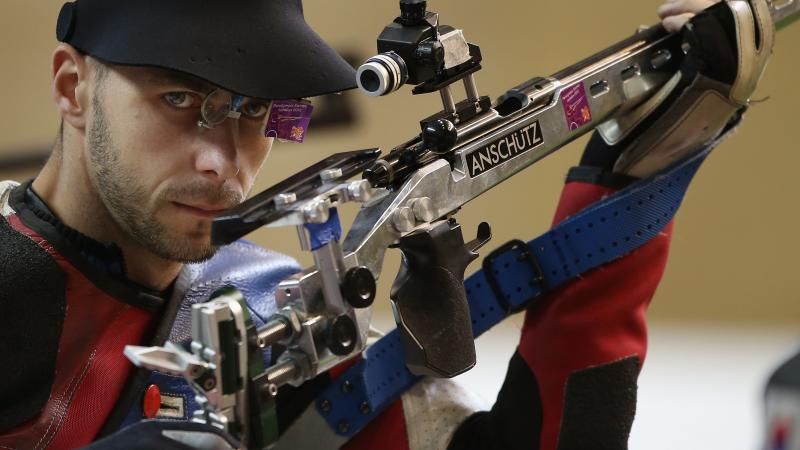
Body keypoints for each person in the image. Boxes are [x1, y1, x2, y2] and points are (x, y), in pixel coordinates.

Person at [0, 0, 773, 448]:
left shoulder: (269, 318)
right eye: (178, 101)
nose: (221, 162)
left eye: (256, 112)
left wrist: (626, 178)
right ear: (72, 86)